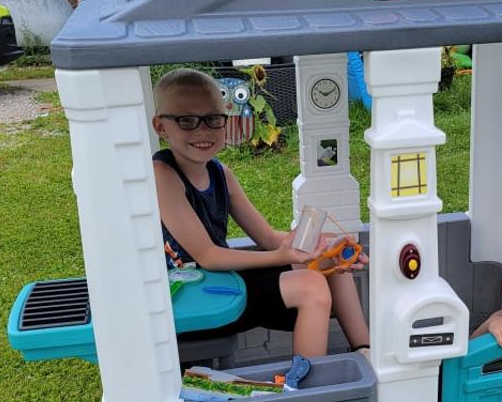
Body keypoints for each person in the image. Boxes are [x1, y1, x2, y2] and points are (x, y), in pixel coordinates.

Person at [151, 68, 369, 359]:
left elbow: (266, 237)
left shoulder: (220, 173)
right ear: (161, 126)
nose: (202, 131)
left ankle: (365, 351)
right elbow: (208, 256)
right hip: (196, 303)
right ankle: (306, 389)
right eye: (186, 121)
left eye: (213, 119)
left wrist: (322, 247)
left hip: (224, 285)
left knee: (328, 258)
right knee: (311, 287)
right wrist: (283, 256)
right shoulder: (162, 174)